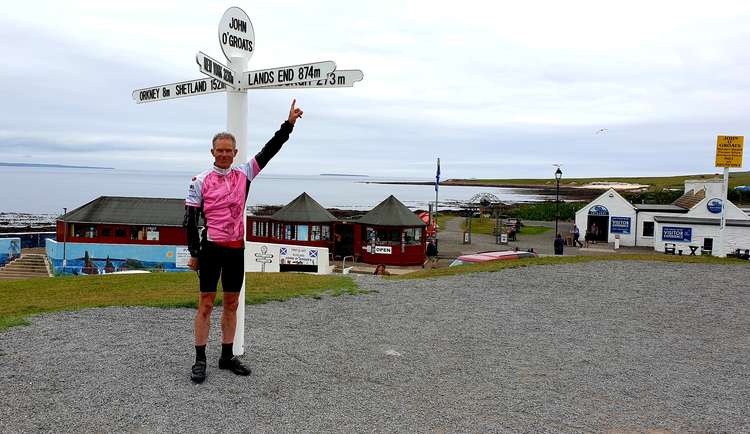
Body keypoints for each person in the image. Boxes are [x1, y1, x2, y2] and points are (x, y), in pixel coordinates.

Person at [184, 99, 304, 384]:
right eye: (219, 151)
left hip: (236, 249)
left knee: (232, 303)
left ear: (235, 153)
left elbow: (270, 150)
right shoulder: (200, 181)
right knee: (205, 304)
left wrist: (288, 125)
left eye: (229, 151)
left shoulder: (245, 173)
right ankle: (199, 360)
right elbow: (190, 220)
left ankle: (226, 356)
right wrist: (194, 253)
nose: (224, 155)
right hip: (211, 249)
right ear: (212, 152)